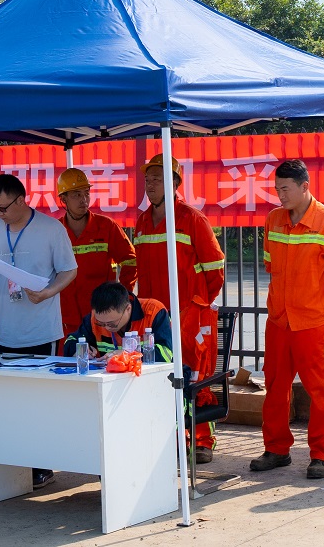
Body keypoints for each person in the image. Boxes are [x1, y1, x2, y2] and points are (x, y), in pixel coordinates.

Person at [0, 173, 77, 490]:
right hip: (4, 332)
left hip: (41, 332)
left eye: (3, 208)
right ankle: (11, 463)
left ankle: (40, 465)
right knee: (5, 402)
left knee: (37, 402)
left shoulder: (51, 229)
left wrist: (48, 292)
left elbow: (69, 270)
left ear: (21, 200)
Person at [250, 159, 324, 480]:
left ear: (305, 186)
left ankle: (321, 454)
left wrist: (311, 299)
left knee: (321, 392)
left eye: (285, 189)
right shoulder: (273, 219)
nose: (280, 195)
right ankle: (276, 449)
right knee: (275, 388)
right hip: (278, 321)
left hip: (313, 324)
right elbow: (271, 265)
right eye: (276, 189)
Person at [134, 154, 225, 464]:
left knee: (195, 378)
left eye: (158, 180)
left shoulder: (192, 218)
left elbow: (215, 269)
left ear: (174, 183)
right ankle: (171, 439)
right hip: (155, 318)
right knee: (159, 376)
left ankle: (202, 441)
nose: (150, 185)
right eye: (148, 180)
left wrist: (197, 305)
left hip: (189, 314)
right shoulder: (142, 221)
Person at [56, 168, 137, 352]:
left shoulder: (106, 227)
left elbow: (130, 261)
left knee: (104, 364)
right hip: (66, 320)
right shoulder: (55, 231)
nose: (84, 199)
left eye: (86, 193)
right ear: (63, 199)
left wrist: (122, 296)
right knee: (67, 364)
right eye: (76, 195)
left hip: (102, 318)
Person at [64, 281, 172, 363]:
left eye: (111, 323)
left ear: (128, 309)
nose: (106, 327)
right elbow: (71, 340)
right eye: (101, 323)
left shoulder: (154, 312)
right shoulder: (94, 318)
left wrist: (129, 355)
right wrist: (79, 350)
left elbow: (167, 353)